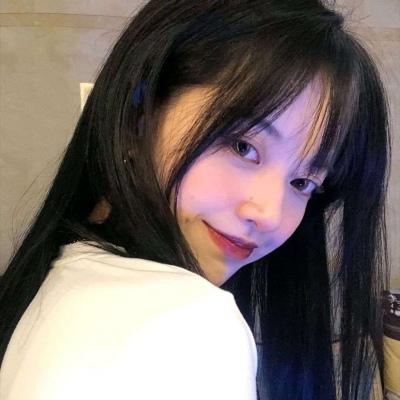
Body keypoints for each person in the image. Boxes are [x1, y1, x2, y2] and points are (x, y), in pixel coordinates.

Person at [0, 0, 391, 399]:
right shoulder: (192, 324)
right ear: (138, 119)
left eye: (303, 182)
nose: (270, 214)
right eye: (242, 146)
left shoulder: (58, 283)